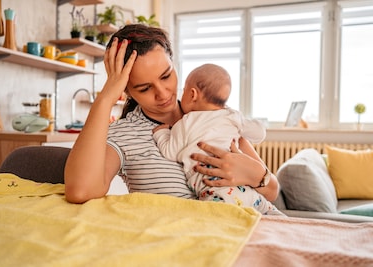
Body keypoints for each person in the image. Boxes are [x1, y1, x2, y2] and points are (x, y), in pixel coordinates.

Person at [64, 24, 280, 206]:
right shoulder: (124, 134)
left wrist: (256, 175)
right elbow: (80, 191)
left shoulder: (213, 115)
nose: (163, 93)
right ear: (127, 91)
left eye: (166, 76)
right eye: (144, 88)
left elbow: (272, 192)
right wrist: (105, 99)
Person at [152, 63, 283, 215]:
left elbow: (170, 152)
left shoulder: (185, 123)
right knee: (280, 221)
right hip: (249, 193)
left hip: (218, 194)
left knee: (215, 221)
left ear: (192, 94)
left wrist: (161, 133)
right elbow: (259, 134)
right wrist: (241, 122)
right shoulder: (232, 116)